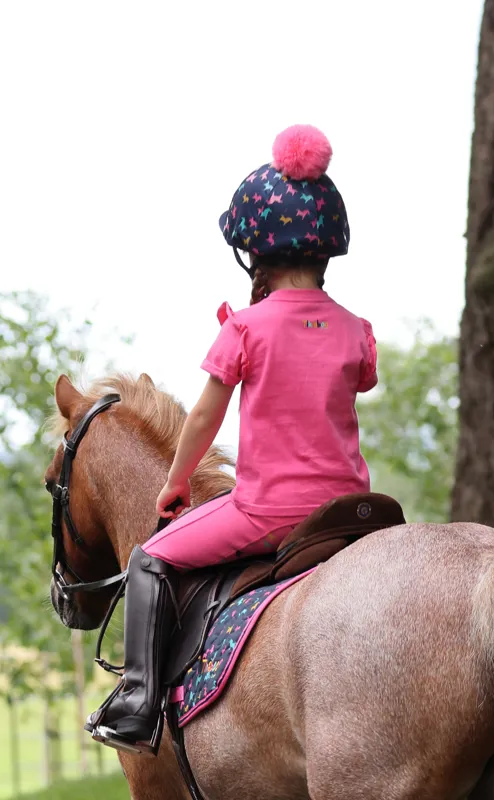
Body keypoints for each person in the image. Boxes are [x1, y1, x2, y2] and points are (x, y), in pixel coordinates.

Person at [88, 124, 378, 752]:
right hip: (356, 512)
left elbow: (202, 420)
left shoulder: (245, 328)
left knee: (150, 559)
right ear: (328, 248)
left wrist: (175, 482)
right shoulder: (357, 328)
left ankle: (137, 703)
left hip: (269, 512)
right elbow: (361, 379)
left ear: (254, 252)